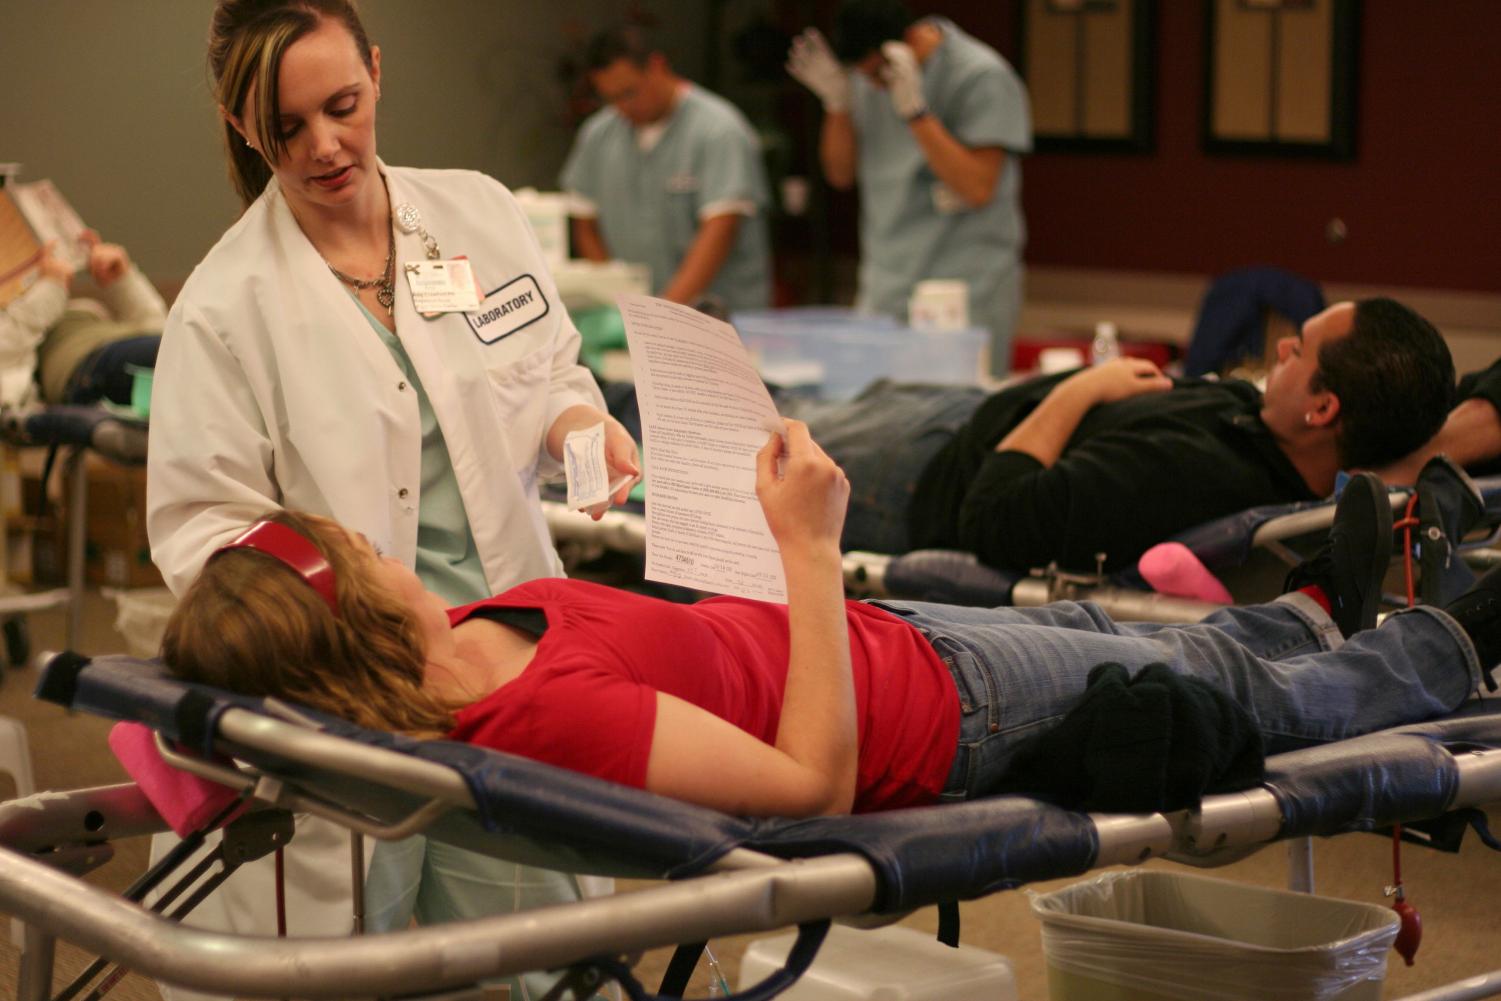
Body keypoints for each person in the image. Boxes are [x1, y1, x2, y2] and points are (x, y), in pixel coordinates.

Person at [162, 428, 1497, 820]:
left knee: (1189, 642)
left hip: (889, 645)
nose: (377, 548)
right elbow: (811, 781)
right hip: (935, 708)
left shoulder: (453, 635)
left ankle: (1341, 612)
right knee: (1222, 690)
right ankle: (1455, 637)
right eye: (352, 556)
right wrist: (805, 549)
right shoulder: (524, 715)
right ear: (350, 632)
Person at [145, 3, 637, 998]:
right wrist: (337, 578)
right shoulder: (224, 305)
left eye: (343, 106)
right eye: (286, 127)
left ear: (376, 70)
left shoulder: (478, 215)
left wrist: (577, 426)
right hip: (354, 690)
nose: (325, 146)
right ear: (242, 124)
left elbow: (547, 368)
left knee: (551, 945)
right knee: (356, 956)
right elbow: (197, 524)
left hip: (503, 665)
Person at [805, 298, 1455, 576]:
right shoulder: (1258, 428)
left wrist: (1078, 389)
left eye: (1299, 349)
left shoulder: (1190, 475)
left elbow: (994, 516)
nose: (1281, 345)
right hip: (952, 418)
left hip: (916, 479)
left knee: (736, 450)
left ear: (1321, 408)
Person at [787, 0, 1031, 376]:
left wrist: (917, 114)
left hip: (965, 285)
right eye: (862, 76)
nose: (873, 84)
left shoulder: (980, 76)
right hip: (888, 282)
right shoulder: (865, 79)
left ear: (908, 40)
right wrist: (837, 105)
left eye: (877, 74)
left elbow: (978, 187)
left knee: (957, 415)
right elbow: (839, 174)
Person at [560, 23, 772, 312]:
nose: (623, 107)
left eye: (629, 93)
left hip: (717, 319)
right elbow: (585, 222)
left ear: (657, 66)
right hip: (636, 319)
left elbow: (720, 231)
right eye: (611, 98)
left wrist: (661, 315)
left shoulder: (718, 130)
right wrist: (614, 298)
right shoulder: (599, 135)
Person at [0, 230, 163, 411]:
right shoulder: (18, 322)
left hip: (125, 354)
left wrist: (121, 281)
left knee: (180, 349)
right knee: (183, 351)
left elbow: (159, 330)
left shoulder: (85, 308)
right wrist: (51, 287)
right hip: (84, 368)